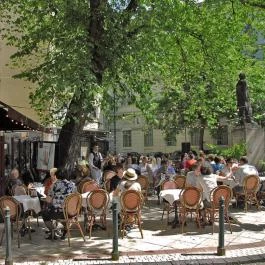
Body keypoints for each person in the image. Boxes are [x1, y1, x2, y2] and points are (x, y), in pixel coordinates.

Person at [42, 168, 75, 240]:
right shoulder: (72, 185)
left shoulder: (55, 185)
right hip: (71, 212)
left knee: (44, 213)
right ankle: (65, 231)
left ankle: (54, 231)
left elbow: (48, 200)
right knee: (65, 216)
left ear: (56, 176)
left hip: (58, 212)